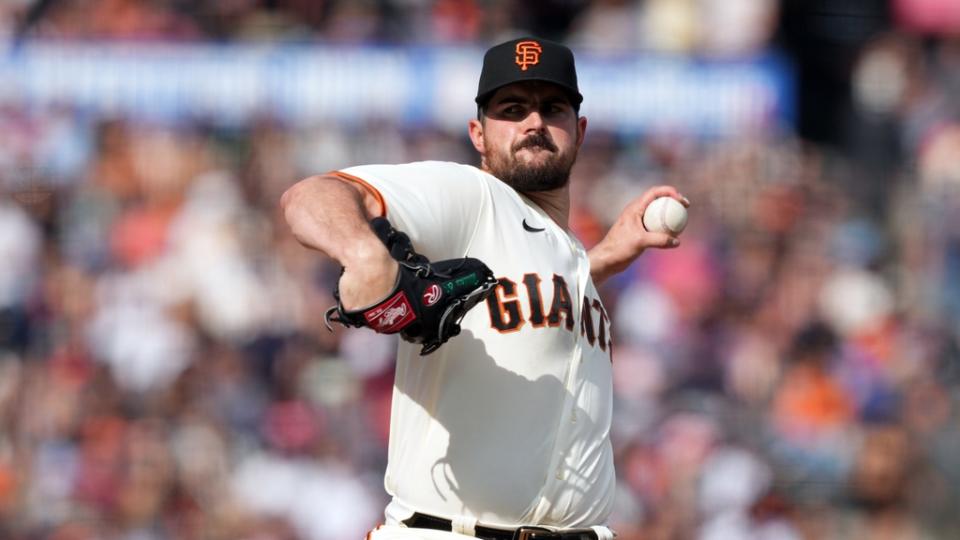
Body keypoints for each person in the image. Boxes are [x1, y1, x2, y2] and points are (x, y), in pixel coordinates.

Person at [281, 37, 688, 540]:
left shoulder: (567, 254)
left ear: (579, 132)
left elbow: (527, 295)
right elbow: (311, 197)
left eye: (551, 108)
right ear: (478, 133)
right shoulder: (473, 197)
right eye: (512, 109)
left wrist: (601, 258)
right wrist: (363, 253)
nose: (534, 122)